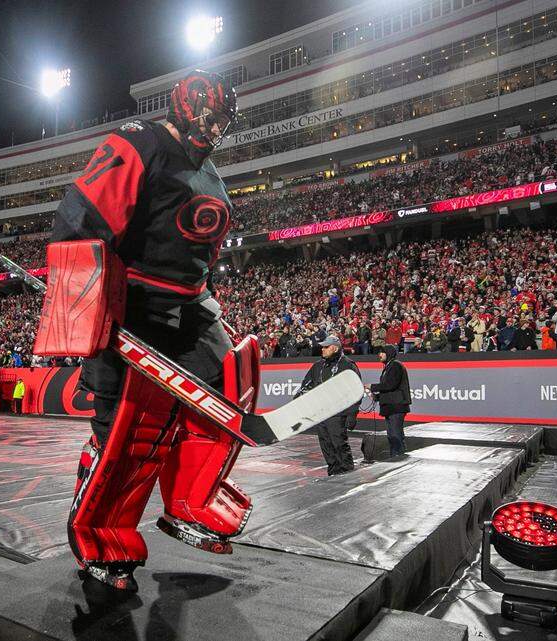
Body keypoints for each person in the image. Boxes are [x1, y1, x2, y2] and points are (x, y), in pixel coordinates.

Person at [35, 71, 250, 592]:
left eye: (220, 119)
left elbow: (203, 247)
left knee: (228, 390)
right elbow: (81, 220)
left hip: (191, 304)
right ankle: (101, 534)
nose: (211, 125)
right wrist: (85, 307)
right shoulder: (136, 142)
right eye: (205, 114)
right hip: (130, 299)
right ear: (181, 108)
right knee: (128, 431)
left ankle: (190, 503)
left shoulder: (211, 173)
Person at [296, 336, 360, 475]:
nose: (322, 349)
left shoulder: (348, 365)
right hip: (321, 412)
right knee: (325, 443)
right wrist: (299, 397)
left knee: (339, 443)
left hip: (338, 413)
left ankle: (347, 472)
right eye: (322, 347)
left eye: (326, 347)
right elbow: (307, 384)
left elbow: (356, 391)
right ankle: (333, 471)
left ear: (335, 348)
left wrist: (352, 414)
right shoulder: (318, 365)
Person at [368, 345, 411, 457]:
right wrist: (377, 397)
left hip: (396, 406)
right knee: (393, 436)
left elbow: (390, 385)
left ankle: (398, 458)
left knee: (395, 435)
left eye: (382, 352)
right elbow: (389, 388)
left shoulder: (395, 365)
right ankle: (396, 457)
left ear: (389, 353)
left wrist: (372, 386)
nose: (379, 354)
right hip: (391, 406)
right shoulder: (389, 366)